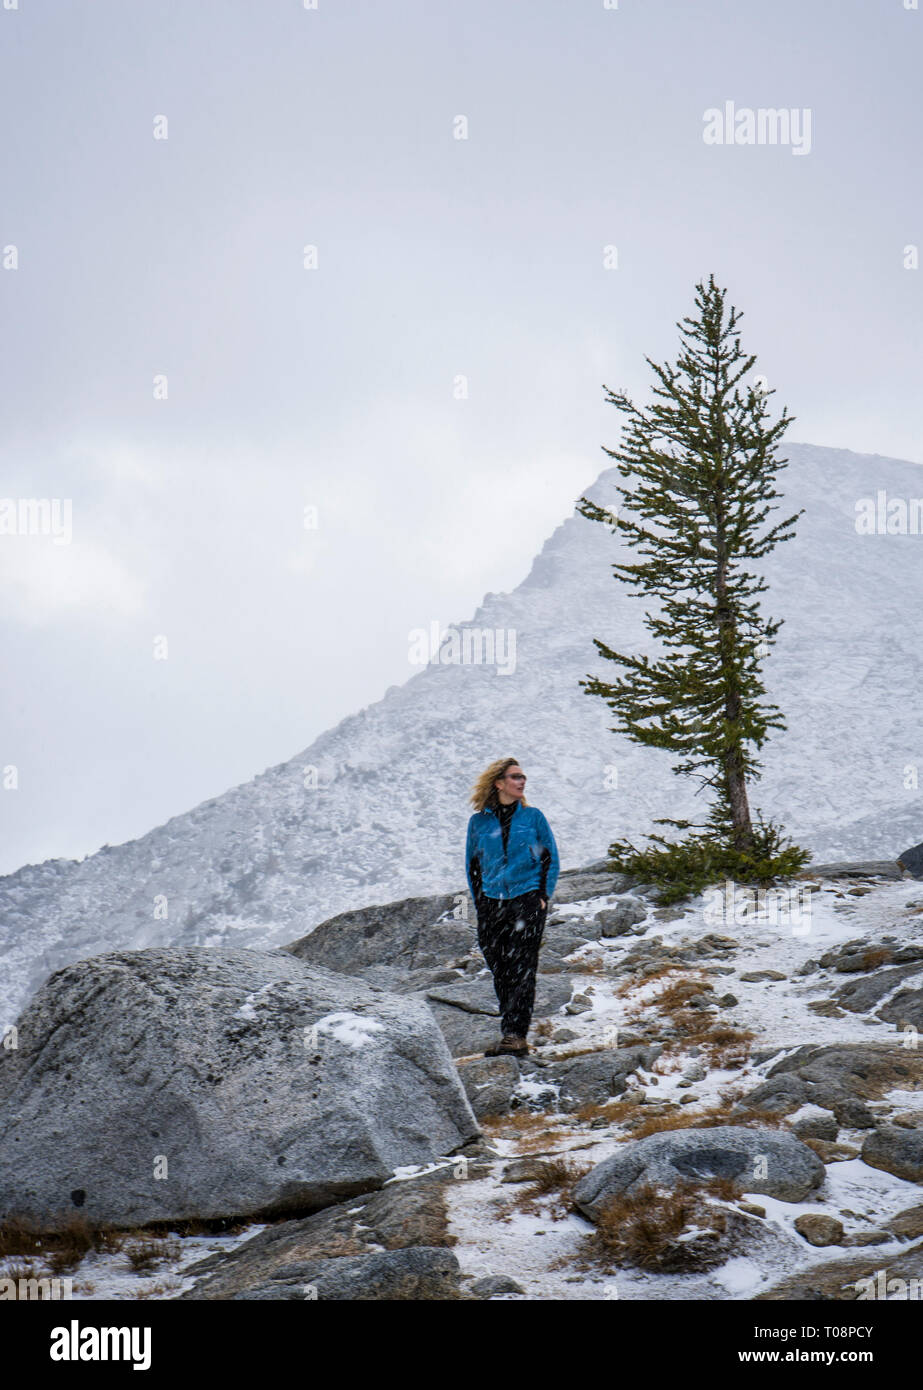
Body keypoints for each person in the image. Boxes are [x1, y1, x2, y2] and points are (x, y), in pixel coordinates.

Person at [465, 757, 560, 1057]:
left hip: (526, 899)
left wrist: (543, 895)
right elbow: (473, 865)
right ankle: (510, 1029)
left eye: (523, 777)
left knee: (522, 967)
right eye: (515, 777)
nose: (521, 781)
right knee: (499, 967)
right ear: (499, 782)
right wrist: (481, 902)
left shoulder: (532, 818)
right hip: (492, 903)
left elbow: (550, 858)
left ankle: (515, 1035)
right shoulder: (479, 822)